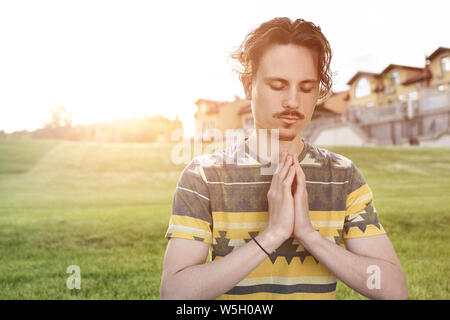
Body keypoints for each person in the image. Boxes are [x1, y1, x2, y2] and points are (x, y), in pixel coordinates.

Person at [160, 17, 407, 300]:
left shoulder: (342, 176)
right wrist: (271, 235)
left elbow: (393, 289)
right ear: (247, 85)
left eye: (306, 88)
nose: (293, 101)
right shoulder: (204, 176)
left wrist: (309, 235)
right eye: (278, 85)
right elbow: (175, 294)